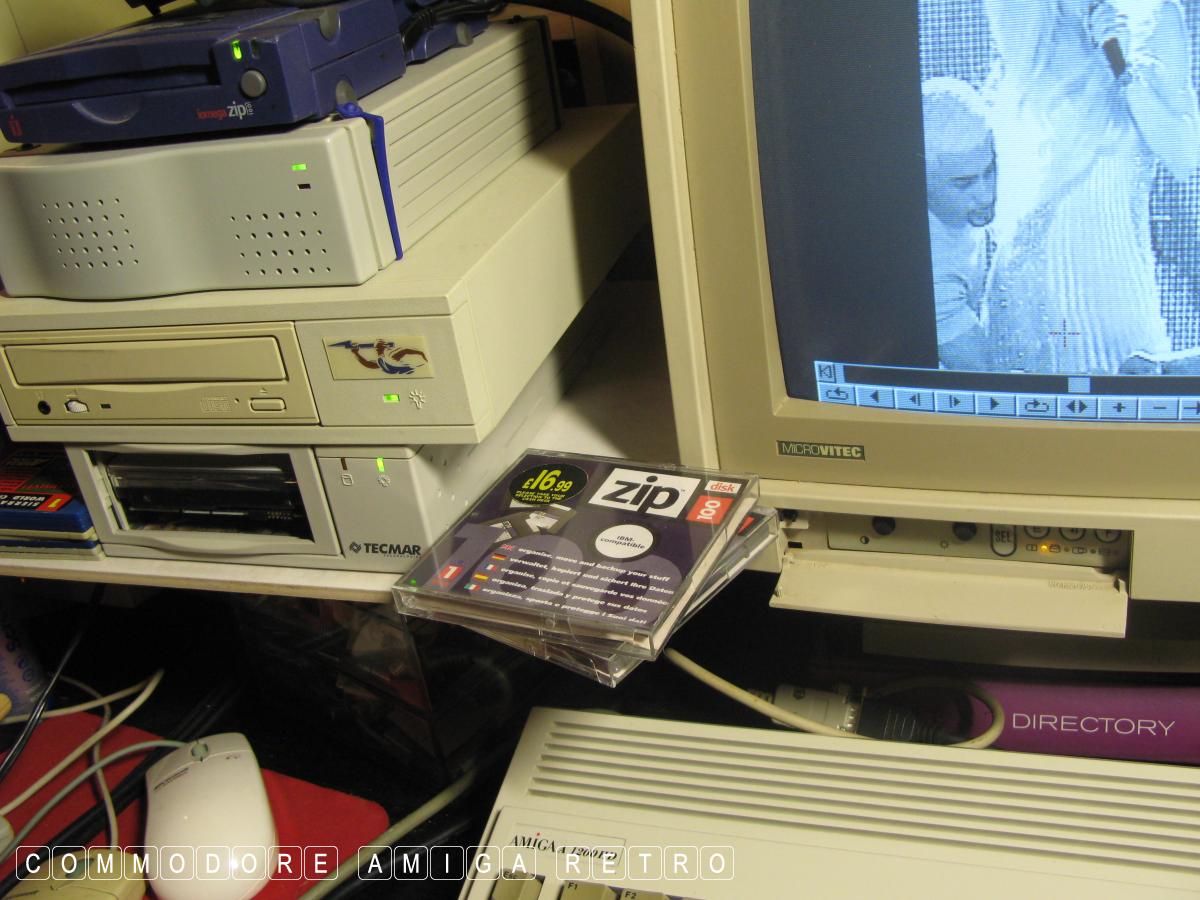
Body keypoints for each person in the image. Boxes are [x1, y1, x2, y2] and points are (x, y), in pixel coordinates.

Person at [983, 0, 1200, 374]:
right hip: (1031, 287)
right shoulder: (1027, 13)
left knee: (1130, 394)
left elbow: (1184, 155)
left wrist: (1124, 69)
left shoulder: (1155, 14)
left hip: (1118, 290)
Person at [923, 77, 998, 370]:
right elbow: (991, 377)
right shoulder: (931, 273)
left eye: (989, 171)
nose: (987, 195)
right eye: (963, 183)